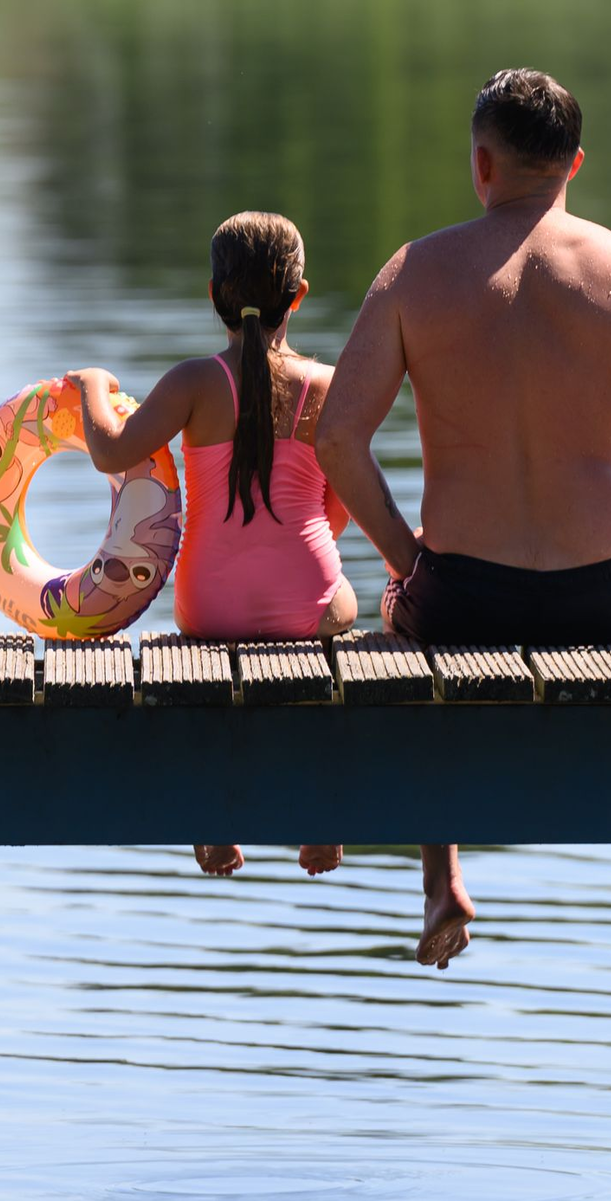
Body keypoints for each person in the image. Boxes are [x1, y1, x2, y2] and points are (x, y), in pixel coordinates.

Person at [316, 68, 608, 968]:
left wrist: (408, 557)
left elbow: (337, 440)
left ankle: (442, 872)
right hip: (604, 597)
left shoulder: (416, 271)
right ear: (575, 165)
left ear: (481, 164)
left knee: (399, 626)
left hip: (462, 599)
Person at [68, 210, 357, 886]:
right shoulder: (327, 385)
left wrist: (89, 386)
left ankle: (215, 816)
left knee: (216, 652)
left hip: (207, 605)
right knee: (341, 616)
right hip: (305, 603)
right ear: (301, 294)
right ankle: (317, 814)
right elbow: (337, 511)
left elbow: (111, 448)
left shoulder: (193, 383)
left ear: (212, 295)